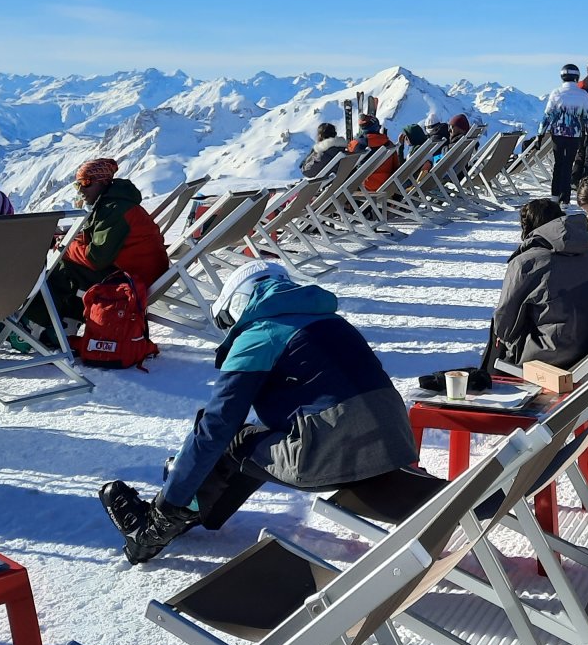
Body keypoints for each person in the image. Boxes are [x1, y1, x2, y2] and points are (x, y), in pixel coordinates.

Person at [99, 260, 416, 564]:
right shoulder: (332, 321)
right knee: (254, 439)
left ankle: (155, 528)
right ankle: (189, 506)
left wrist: (170, 500)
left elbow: (216, 427)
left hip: (334, 452)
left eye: (226, 322)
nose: (229, 331)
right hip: (396, 443)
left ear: (238, 304)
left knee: (233, 442)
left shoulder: (260, 334)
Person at [23, 158, 168, 336]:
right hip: (141, 273)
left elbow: (96, 258)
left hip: (135, 281)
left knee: (65, 268)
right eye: (78, 185)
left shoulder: (115, 209)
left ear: (102, 182)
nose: (81, 190)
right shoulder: (113, 204)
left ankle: (33, 323)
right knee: (71, 266)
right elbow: (100, 240)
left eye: (86, 183)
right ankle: (64, 325)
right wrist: (68, 240)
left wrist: (66, 248)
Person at [483, 198, 588, 373]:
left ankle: (489, 380)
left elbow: (505, 327)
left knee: (499, 327)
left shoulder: (526, 263)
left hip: (556, 351)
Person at [541, 63, 588, 204]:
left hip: (557, 134)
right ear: (577, 77)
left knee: (558, 164)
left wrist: (541, 134)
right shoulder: (583, 94)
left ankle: (554, 196)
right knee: (568, 164)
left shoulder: (556, 93)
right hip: (574, 135)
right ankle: (565, 200)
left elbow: (547, 115)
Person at [346, 114, 401, 192]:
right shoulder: (389, 144)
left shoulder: (355, 145)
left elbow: (347, 166)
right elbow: (396, 166)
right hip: (387, 184)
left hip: (363, 186)